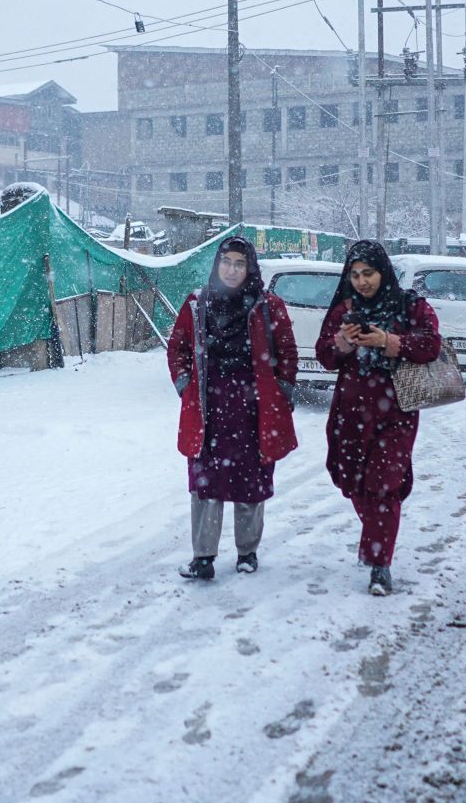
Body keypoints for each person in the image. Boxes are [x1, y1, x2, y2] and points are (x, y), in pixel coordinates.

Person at [167, 237, 299, 580]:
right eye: (226, 262)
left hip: (253, 410)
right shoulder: (198, 304)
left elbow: (286, 350)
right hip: (209, 410)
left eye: (240, 264)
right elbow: (177, 347)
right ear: (216, 264)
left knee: (251, 484)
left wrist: (281, 392)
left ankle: (247, 552)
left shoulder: (268, 305)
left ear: (250, 267)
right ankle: (204, 557)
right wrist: (185, 385)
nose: (232, 270)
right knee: (206, 485)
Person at [314, 240, 441, 596]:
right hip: (351, 411)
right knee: (353, 482)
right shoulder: (344, 308)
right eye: (354, 274)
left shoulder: (410, 305)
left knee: (383, 484)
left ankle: (379, 564)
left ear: (383, 271)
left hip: (396, 411)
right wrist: (342, 342)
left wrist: (388, 340)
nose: (361, 281)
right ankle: (377, 536)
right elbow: (324, 354)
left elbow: (431, 344)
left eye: (368, 273)